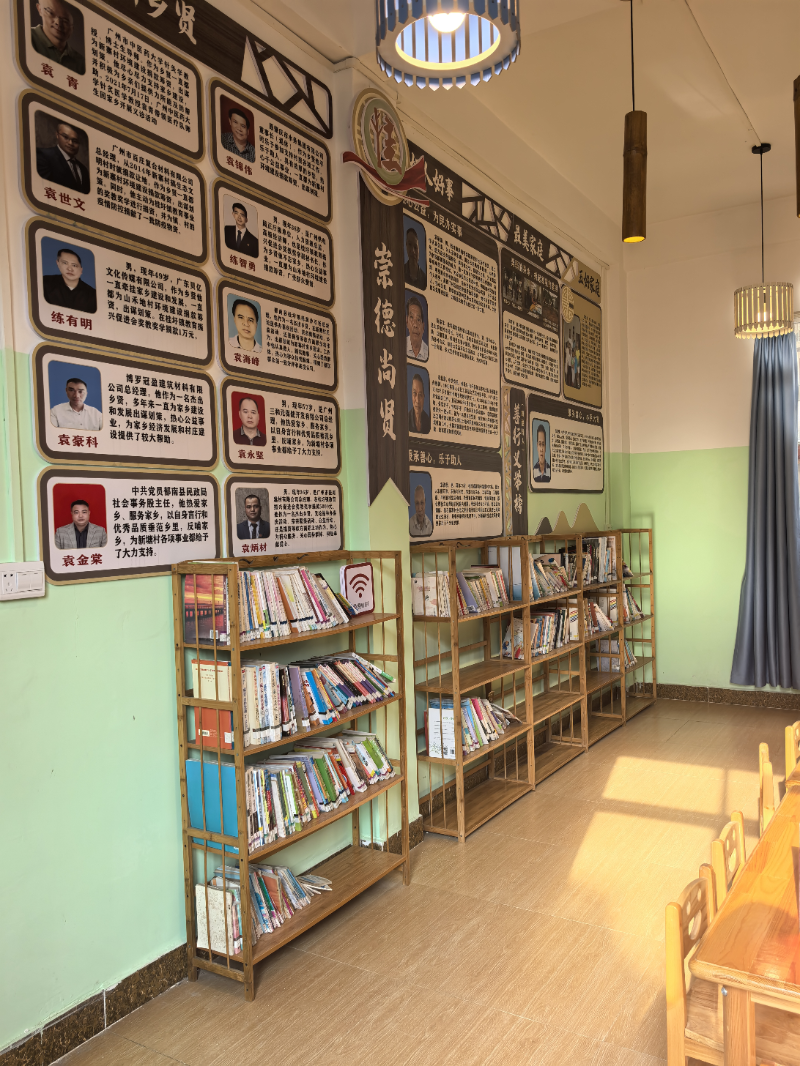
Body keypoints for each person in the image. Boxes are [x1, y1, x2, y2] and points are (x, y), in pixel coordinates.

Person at [31, 0, 85, 75]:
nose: (58, 23)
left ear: (72, 28)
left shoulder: (81, 63)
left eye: (65, 21)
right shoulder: (26, 36)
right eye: (51, 13)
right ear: (39, 9)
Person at [36, 121, 90, 193]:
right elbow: (40, 189)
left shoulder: (83, 170)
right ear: (57, 135)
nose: (70, 143)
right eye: (65, 137)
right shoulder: (44, 156)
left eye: (75, 141)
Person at [43, 247, 96, 313]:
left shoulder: (92, 294)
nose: (70, 269)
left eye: (74, 265)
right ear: (58, 263)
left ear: (81, 270)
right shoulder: (45, 283)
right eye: (65, 263)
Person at [406, 297, 428, 362]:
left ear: (423, 327)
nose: (415, 325)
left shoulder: (427, 352)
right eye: (411, 318)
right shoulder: (399, 346)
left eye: (418, 320)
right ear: (407, 322)